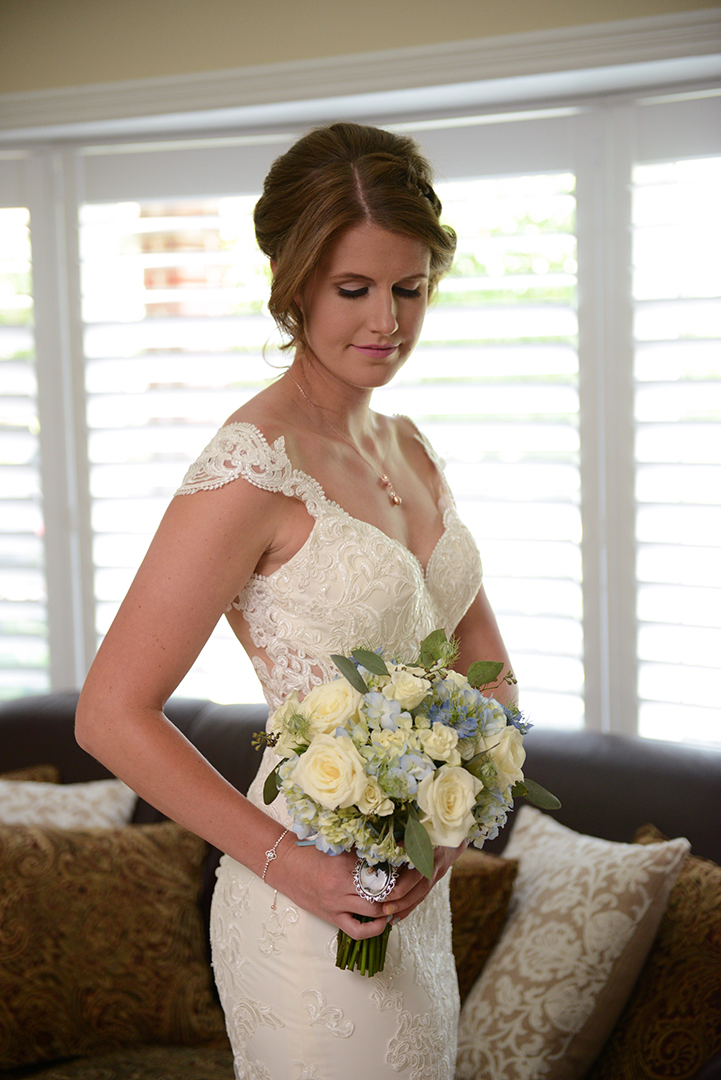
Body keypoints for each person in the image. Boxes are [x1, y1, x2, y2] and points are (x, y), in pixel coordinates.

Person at [76, 121, 515, 1079]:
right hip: (303, 899)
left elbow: (491, 679)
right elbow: (110, 714)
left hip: (412, 896)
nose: (386, 322)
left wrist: (443, 834)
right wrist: (298, 866)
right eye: (352, 290)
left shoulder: (408, 445)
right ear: (293, 284)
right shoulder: (249, 468)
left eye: (409, 288)